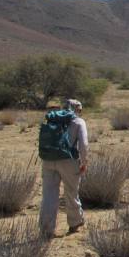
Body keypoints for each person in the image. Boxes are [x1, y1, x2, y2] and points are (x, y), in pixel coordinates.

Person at [38, 99, 88, 238]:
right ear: (77, 109)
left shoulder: (53, 118)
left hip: (48, 160)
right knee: (71, 192)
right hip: (69, 161)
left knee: (48, 195)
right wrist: (84, 162)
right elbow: (84, 144)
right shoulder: (79, 122)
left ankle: (46, 229)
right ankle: (75, 222)